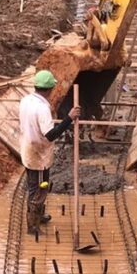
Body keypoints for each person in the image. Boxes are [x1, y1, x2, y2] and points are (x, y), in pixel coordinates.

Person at [19, 69, 80, 235]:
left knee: (39, 185)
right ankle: (32, 226)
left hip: (29, 148)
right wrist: (69, 118)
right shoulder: (42, 108)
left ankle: (39, 214)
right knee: (38, 188)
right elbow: (51, 134)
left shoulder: (26, 100)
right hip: (38, 154)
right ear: (48, 89)